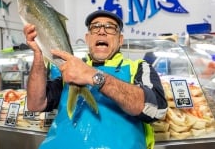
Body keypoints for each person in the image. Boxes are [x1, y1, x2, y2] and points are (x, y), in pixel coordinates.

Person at [23, 10, 168, 149]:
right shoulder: (70, 70)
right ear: (88, 38)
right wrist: (38, 53)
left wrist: (94, 76)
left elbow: (157, 110)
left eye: (110, 27)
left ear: (120, 40)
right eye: (95, 27)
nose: (102, 31)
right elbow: (35, 104)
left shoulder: (138, 67)